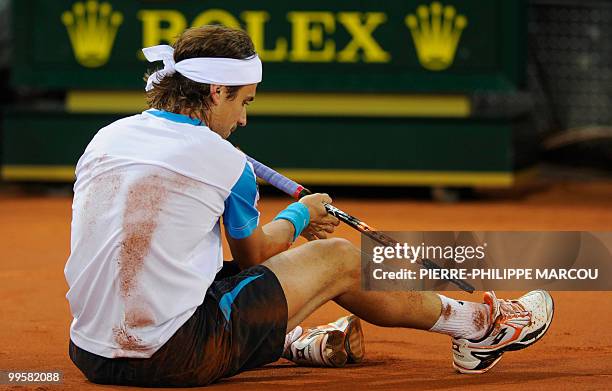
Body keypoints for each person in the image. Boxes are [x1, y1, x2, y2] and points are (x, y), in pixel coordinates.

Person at [65, 25, 554, 387]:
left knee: (207, 272)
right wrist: (302, 216)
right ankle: (480, 329)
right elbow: (257, 257)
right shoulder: (224, 161)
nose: (242, 119)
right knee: (337, 258)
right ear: (216, 92)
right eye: (244, 103)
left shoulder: (106, 137)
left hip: (89, 352)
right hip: (174, 357)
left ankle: (296, 342)